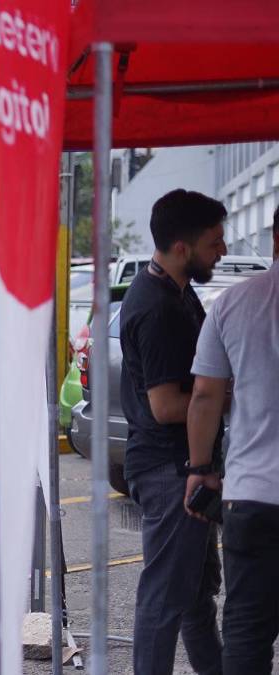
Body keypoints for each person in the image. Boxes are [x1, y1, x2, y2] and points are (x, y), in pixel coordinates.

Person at [119, 189, 227, 675]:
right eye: (214, 242)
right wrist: (230, 398)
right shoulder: (158, 306)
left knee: (195, 594)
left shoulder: (178, 290)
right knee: (164, 597)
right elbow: (165, 406)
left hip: (183, 464)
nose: (222, 250)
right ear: (182, 247)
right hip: (169, 468)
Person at [186, 207, 279, 674]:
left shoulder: (233, 304)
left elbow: (204, 394)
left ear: (275, 239)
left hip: (251, 494)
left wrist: (199, 468)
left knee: (246, 628)